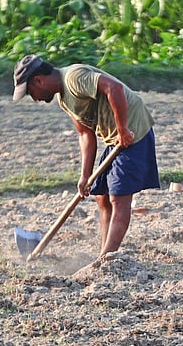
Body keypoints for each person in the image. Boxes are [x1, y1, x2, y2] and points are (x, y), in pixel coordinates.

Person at [12, 54, 159, 260]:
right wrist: (85, 175)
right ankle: (104, 255)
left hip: (133, 131)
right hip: (114, 137)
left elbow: (114, 88)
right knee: (102, 196)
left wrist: (123, 129)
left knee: (119, 196)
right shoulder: (64, 99)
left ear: (39, 80)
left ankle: (107, 258)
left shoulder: (74, 78)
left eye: (31, 93)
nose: (35, 98)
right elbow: (85, 134)